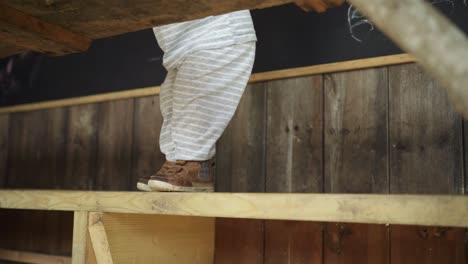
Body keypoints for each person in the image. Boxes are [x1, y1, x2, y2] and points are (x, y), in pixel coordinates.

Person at [137, 0, 344, 192]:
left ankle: (193, 166)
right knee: (172, 102)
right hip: (181, 45)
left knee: (196, 107)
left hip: (217, 35)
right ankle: (176, 164)